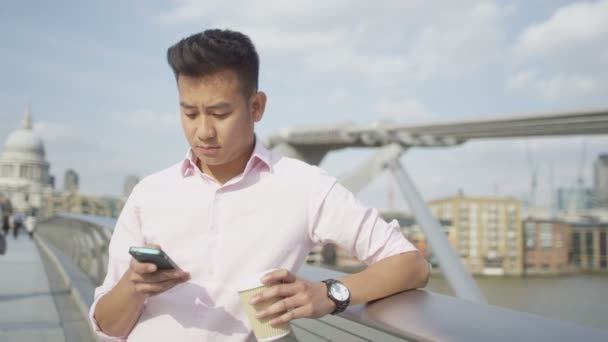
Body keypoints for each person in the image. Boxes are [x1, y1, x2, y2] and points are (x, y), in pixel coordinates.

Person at [91, 29, 429, 341]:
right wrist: (133, 288)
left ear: (256, 107)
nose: (203, 131)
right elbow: (107, 326)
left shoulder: (304, 186)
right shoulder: (149, 194)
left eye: (220, 114)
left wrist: (330, 293)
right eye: (190, 114)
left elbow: (411, 264)